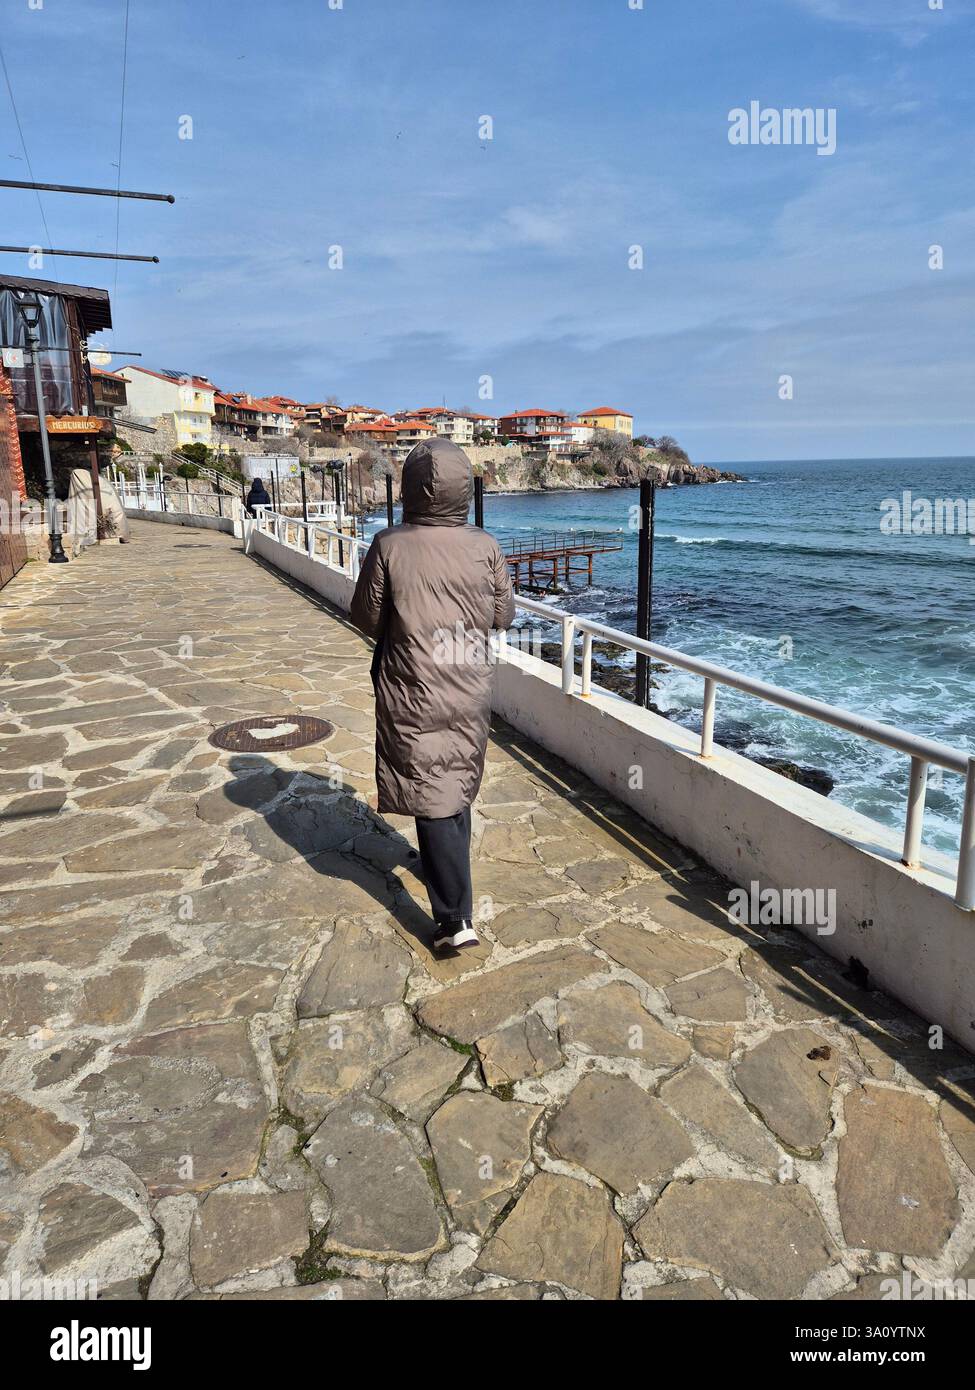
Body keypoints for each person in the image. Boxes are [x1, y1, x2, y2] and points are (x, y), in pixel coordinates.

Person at [350, 438, 515, 952]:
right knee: (455, 772)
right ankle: (447, 869)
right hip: (467, 678)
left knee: (430, 780)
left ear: (411, 488)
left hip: (413, 680)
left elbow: (365, 617)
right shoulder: (484, 546)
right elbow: (503, 616)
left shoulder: (389, 544)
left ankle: (454, 920)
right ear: (462, 488)